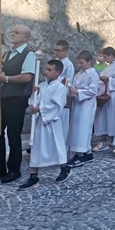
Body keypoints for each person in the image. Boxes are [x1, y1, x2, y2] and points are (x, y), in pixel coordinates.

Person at [0, 24, 36, 184]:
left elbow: (27, 77)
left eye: (16, 33)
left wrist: (5, 78)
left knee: (13, 135)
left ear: (25, 37)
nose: (12, 34)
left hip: (17, 99)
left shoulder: (29, 54)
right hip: (3, 97)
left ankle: (14, 169)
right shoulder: (7, 53)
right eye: (12, 32)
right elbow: (1, 74)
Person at [18, 60, 70, 190]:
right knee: (36, 147)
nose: (46, 72)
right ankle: (33, 175)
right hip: (40, 122)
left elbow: (58, 105)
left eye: (49, 70)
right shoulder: (41, 85)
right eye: (45, 69)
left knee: (55, 146)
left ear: (58, 72)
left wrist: (41, 109)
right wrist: (36, 93)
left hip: (52, 122)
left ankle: (64, 168)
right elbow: (33, 102)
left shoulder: (60, 87)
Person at [66, 50, 99, 168]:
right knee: (76, 128)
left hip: (87, 105)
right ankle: (83, 153)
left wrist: (78, 92)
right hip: (77, 104)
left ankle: (83, 154)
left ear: (89, 62)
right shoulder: (78, 74)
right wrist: (71, 92)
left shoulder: (92, 74)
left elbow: (93, 90)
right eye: (78, 63)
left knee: (83, 128)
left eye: (81, 63)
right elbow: (74, 86)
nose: (79, 65)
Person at [94, 47, 115, 152]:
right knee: (102, 117)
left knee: (111, 117)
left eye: (106, 57)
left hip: (113, 95)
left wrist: (109, 80)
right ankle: (103, 138)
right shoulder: (110, 66)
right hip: (104, 92)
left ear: (111, 55)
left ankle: (112, 138)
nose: (105, 59)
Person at [53, 39, 75, 149]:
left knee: (62, 124)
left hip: (62, 95)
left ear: (65, 51)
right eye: (55, 50)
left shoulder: (69, 64)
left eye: (58, 50)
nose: (56, 52)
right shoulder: (55, 62)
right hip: (54, 94)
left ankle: (62, 147)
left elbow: (68, 81)